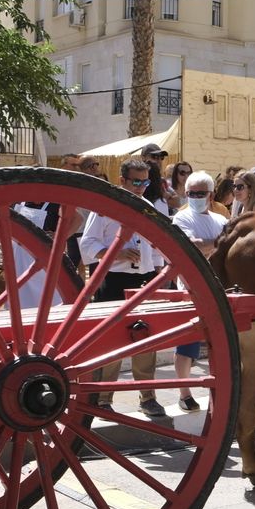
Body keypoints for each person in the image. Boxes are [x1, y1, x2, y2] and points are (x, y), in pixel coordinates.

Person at [80, 158, 165, 417]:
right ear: (122, 180)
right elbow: (88, 244)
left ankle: (147, 396)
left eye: (145, 182)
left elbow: (157, 243)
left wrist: (159, 272)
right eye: (136, 182)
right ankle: (104, 398)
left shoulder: (148, 206)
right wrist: (116, 253)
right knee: (111, 341)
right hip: (113, 280)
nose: (141, 187)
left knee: (147, 338)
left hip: (144, 278)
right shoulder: (105, 207)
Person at [171, 171, 228, 412]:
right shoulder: (181, 218)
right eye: (190, 193)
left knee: (222, 343)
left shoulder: (221, 220)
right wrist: (219, 243)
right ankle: (184, 393)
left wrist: (213, 245)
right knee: (188, 344)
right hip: (191, 288)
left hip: (220, 287)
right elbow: (192, 247)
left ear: (211, 195)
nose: (194, 197)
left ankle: (224, 390)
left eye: (199, 193)